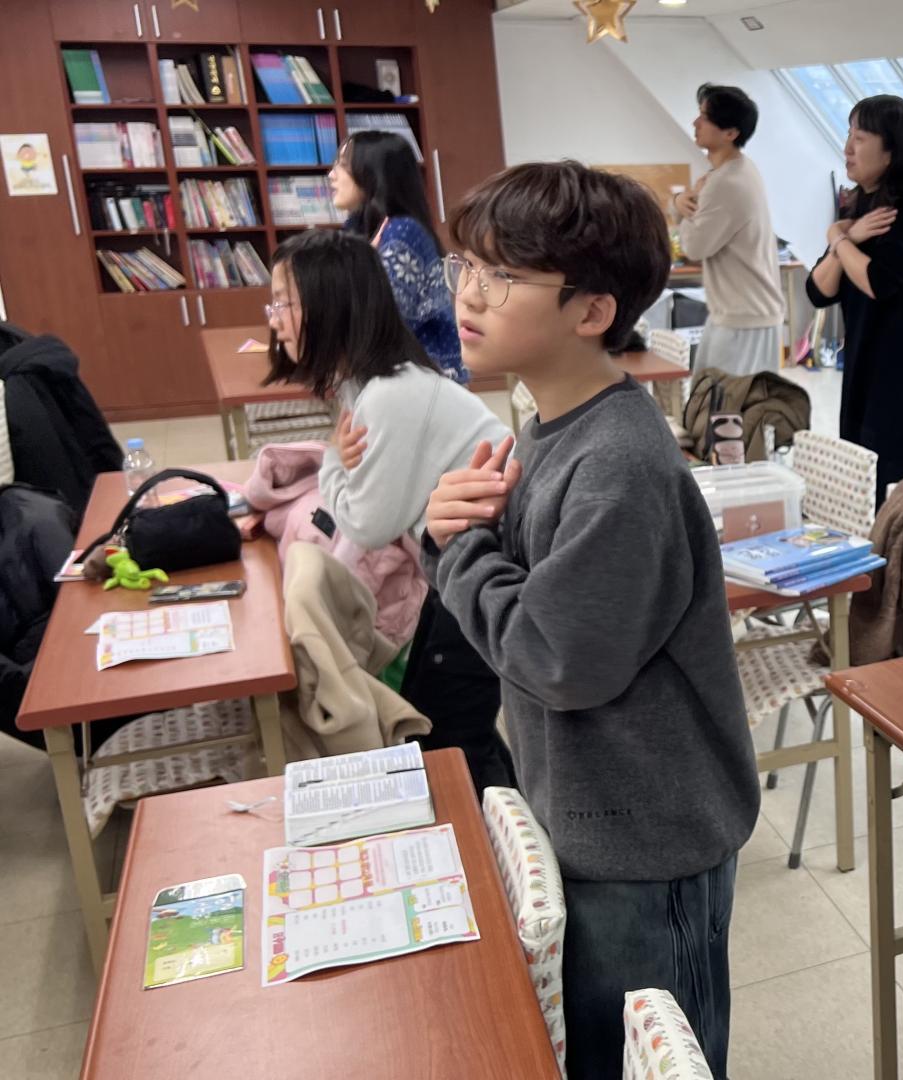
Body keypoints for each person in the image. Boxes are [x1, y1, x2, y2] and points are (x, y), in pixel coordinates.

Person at [423, 161, 758, 1080]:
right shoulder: (550, 425)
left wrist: (456, 548)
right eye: (467, 266)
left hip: (646, 840)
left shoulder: (619, 466)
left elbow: (555, 656)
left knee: (658, 1056)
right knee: (601, 1048)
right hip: (588, 813)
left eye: (503, 275)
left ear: (593, 311)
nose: (469, 294)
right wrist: (457, 532)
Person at [262, 229, 515, 791]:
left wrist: (333, 459)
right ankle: (499, 825)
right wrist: (340, 466)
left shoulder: (389, 395)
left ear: (330, 303)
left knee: (451, 733)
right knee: (444, 719)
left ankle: (499, 836)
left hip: (485, 568)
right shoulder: (369, 384)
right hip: (458, 561)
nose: (275, 321)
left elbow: (366, 523)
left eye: (284, 303)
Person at [805, 94, 903, 504]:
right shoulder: (858, 203)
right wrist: (845, 236)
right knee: (861, 476)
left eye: (860, 137)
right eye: (849, 135)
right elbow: (818, 290)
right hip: (862, 361)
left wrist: (839, 238)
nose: (848, 148)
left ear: (891, 151)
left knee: (900, 484)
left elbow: (877, 282)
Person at [330, 130, 467, 384]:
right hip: (387, 370)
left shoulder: (403, 231)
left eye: (343, 165)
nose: (332, 175)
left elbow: (384, 322)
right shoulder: (356, 227)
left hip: (424, 377)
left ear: (373, 173)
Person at [671, 83, 784, 376]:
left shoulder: (725, 182)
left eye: (705, 117)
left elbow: (694, 247)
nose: (695, 122)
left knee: (725, 403)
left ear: (731, 133)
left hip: (744, 320)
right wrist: (683, 202)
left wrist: (680, 208)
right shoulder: (738, 170)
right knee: (715, 399)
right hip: (742, 315)